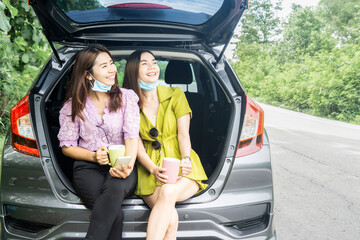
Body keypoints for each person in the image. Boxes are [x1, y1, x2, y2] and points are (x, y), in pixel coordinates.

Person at [122, 50, 208, 240]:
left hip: (181, 164)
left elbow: (183, 135)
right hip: (149, 169)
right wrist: (152, 169)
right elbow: (135, 142)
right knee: (170, 222)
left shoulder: (175, 94)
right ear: (133, 70)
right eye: (144, 63)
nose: (152, 67)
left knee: (169, 191)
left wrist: (186, 159)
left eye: (154, 62)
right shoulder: (128, 102)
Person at [57, 44, 140, 240]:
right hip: (87, 167)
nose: (112, 69)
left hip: (123, 162)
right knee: (114, 214)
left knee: (116, 188)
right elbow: (67, 147)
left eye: (111, 63)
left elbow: (131, 136)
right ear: (88, 74)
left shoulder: (127, 98)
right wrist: (94, 156)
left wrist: (127, 164)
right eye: (104, 66)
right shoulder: (73, 105)